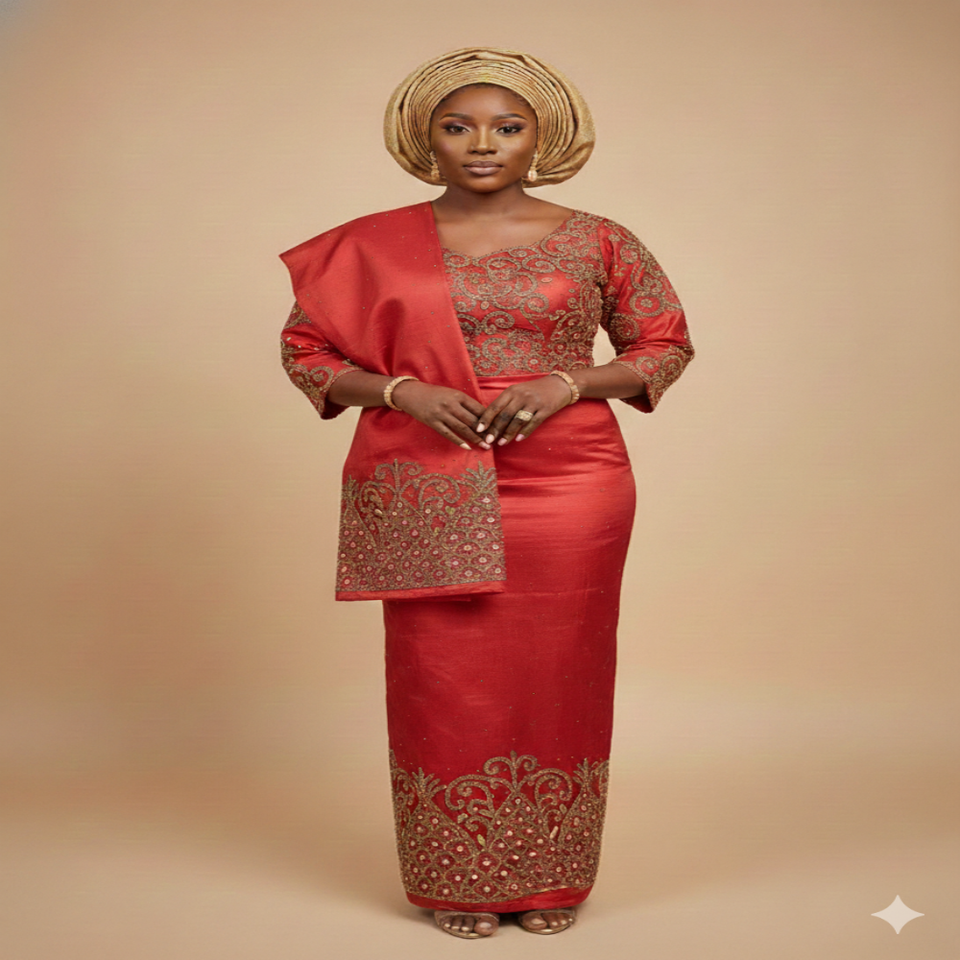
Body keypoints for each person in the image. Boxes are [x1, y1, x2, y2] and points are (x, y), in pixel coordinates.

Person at [279, 47, 693, 939]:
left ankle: (550, 878)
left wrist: (568, 381)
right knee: (441, 675)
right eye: (457, 126)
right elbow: (305, 351)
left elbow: (663, 344)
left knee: (563, 665)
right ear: (424, 138)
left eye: (507, 127)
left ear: (542, 138)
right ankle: (455, 877)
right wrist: (401, 392)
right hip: (428, 473)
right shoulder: (370, 244)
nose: (481, 143)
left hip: (571, 481)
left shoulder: (602, 240)